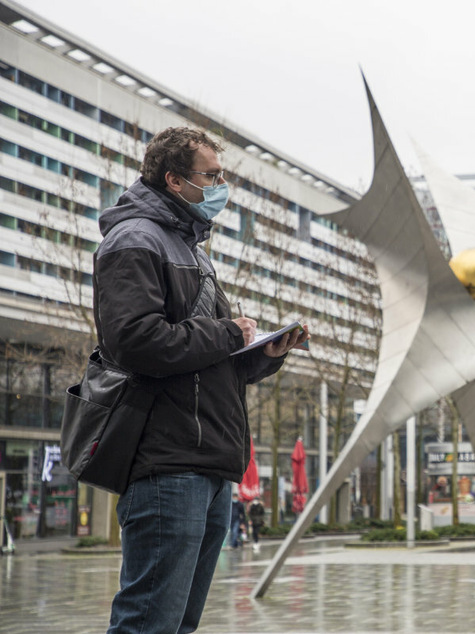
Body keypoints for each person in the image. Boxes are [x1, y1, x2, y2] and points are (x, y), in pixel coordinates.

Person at [95, 127, 309, 633]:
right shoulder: (135, 240)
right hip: (168, 463)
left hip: (207, 465)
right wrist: (226, 333)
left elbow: (206, 359)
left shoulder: (193, 250)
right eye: (210, 175)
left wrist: (262, 355)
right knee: (149, 621)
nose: (220, 185)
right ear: (174, 179)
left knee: (178, 623)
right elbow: (135, 341)